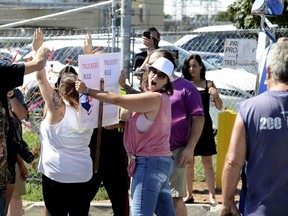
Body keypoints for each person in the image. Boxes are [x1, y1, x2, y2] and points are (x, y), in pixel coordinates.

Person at [76, 56, 176, 216]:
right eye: (153, 71)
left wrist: (88, 90)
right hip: (158, 162)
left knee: (140, 213)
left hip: (149, 163)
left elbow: (118, 99)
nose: (155, 76)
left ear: (167, 82)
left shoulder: (154, 98)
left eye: (161, 75)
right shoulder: (156, 97)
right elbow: (124, 116)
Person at [120, 49, 205, 216]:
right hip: (152, 154)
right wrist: (125, 88)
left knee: (175, 198)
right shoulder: (149, 87)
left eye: (155, 66)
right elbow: (134, 108)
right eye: (150, 66)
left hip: (176, 151)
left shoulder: (186, 87)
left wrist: (190, 148)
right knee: (163, 206)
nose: (151, 70)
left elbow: (199, 118)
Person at [219, 41, 288, 216]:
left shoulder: (250, 109)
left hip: (261, 210)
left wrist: (227, 202)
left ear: (269, 71)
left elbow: (233, 162)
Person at [34, 28, 93, 215]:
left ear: (60, 89)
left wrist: (38, 51)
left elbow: (40, 78)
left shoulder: (57, 107)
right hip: (82, 175)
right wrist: (88, 55)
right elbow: (93, 80)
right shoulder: (89, 107)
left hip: (56, 176)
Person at [0, 31, 50, 215]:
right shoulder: (2, 72)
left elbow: (20, 116)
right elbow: (38, 64)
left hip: (7, 157)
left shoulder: (10, 86)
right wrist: (39, 49)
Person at [83, 34, 130, 216]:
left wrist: (118, 122)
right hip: (91, 154)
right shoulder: (85, 93)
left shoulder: (122, 92)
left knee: (120, 202)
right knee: (82, 200)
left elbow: (131, 120)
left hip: (116, 156)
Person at [182, 54, 223, 206]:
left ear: (201, 66)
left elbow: (219, 106)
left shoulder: (209, 84)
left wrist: (216, 95)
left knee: (207, 162)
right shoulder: (185, 84)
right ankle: (189, 194)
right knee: (189, 162)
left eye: (194, 65)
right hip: (188, 126)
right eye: (189, 66)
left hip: (205, 127)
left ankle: (212, 196)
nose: (191, 69)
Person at [6, 88, 29, 216]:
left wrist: (11, 96)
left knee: (15, 195)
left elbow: (22, 115)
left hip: (13, 151)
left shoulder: (14, 92)